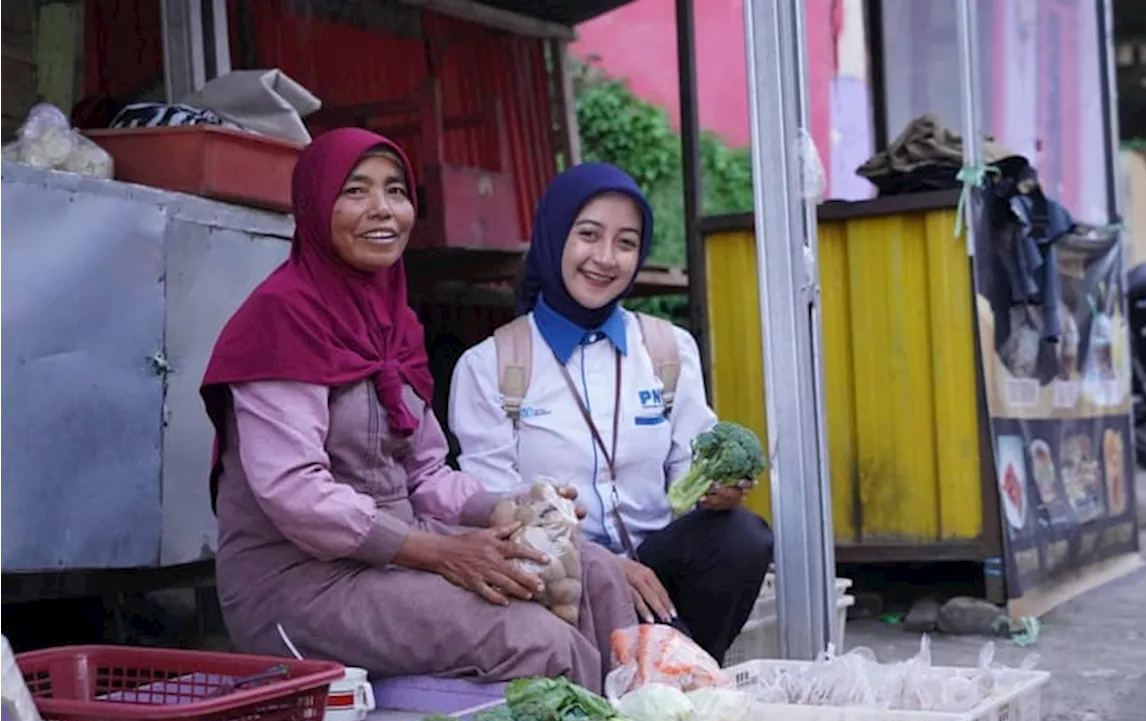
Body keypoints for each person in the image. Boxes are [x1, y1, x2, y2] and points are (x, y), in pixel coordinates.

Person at [199, 129, 637, 690]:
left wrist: (505, 508)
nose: (383, 210)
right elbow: (294, 494)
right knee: (535, 637)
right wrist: (437, 553)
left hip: (400, 554)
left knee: (596, 570)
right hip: (301, 582)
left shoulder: (392, 321)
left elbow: (425, 472)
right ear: (314, 207)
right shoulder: (281, 317)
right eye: (355, 192)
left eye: (396, 192)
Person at [448, 162, 772, 665]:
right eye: (588, 235)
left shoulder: (665, 347)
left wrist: (712, 486)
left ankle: (673, 676)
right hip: (555, 575)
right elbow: (497, 510)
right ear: (555, 236)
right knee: (659, 657)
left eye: (625, 242)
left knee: (742, 538)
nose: (605, 258)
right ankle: (683, 680)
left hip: (658, 563)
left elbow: (691, 455)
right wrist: (601, 564)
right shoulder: (489, 366)